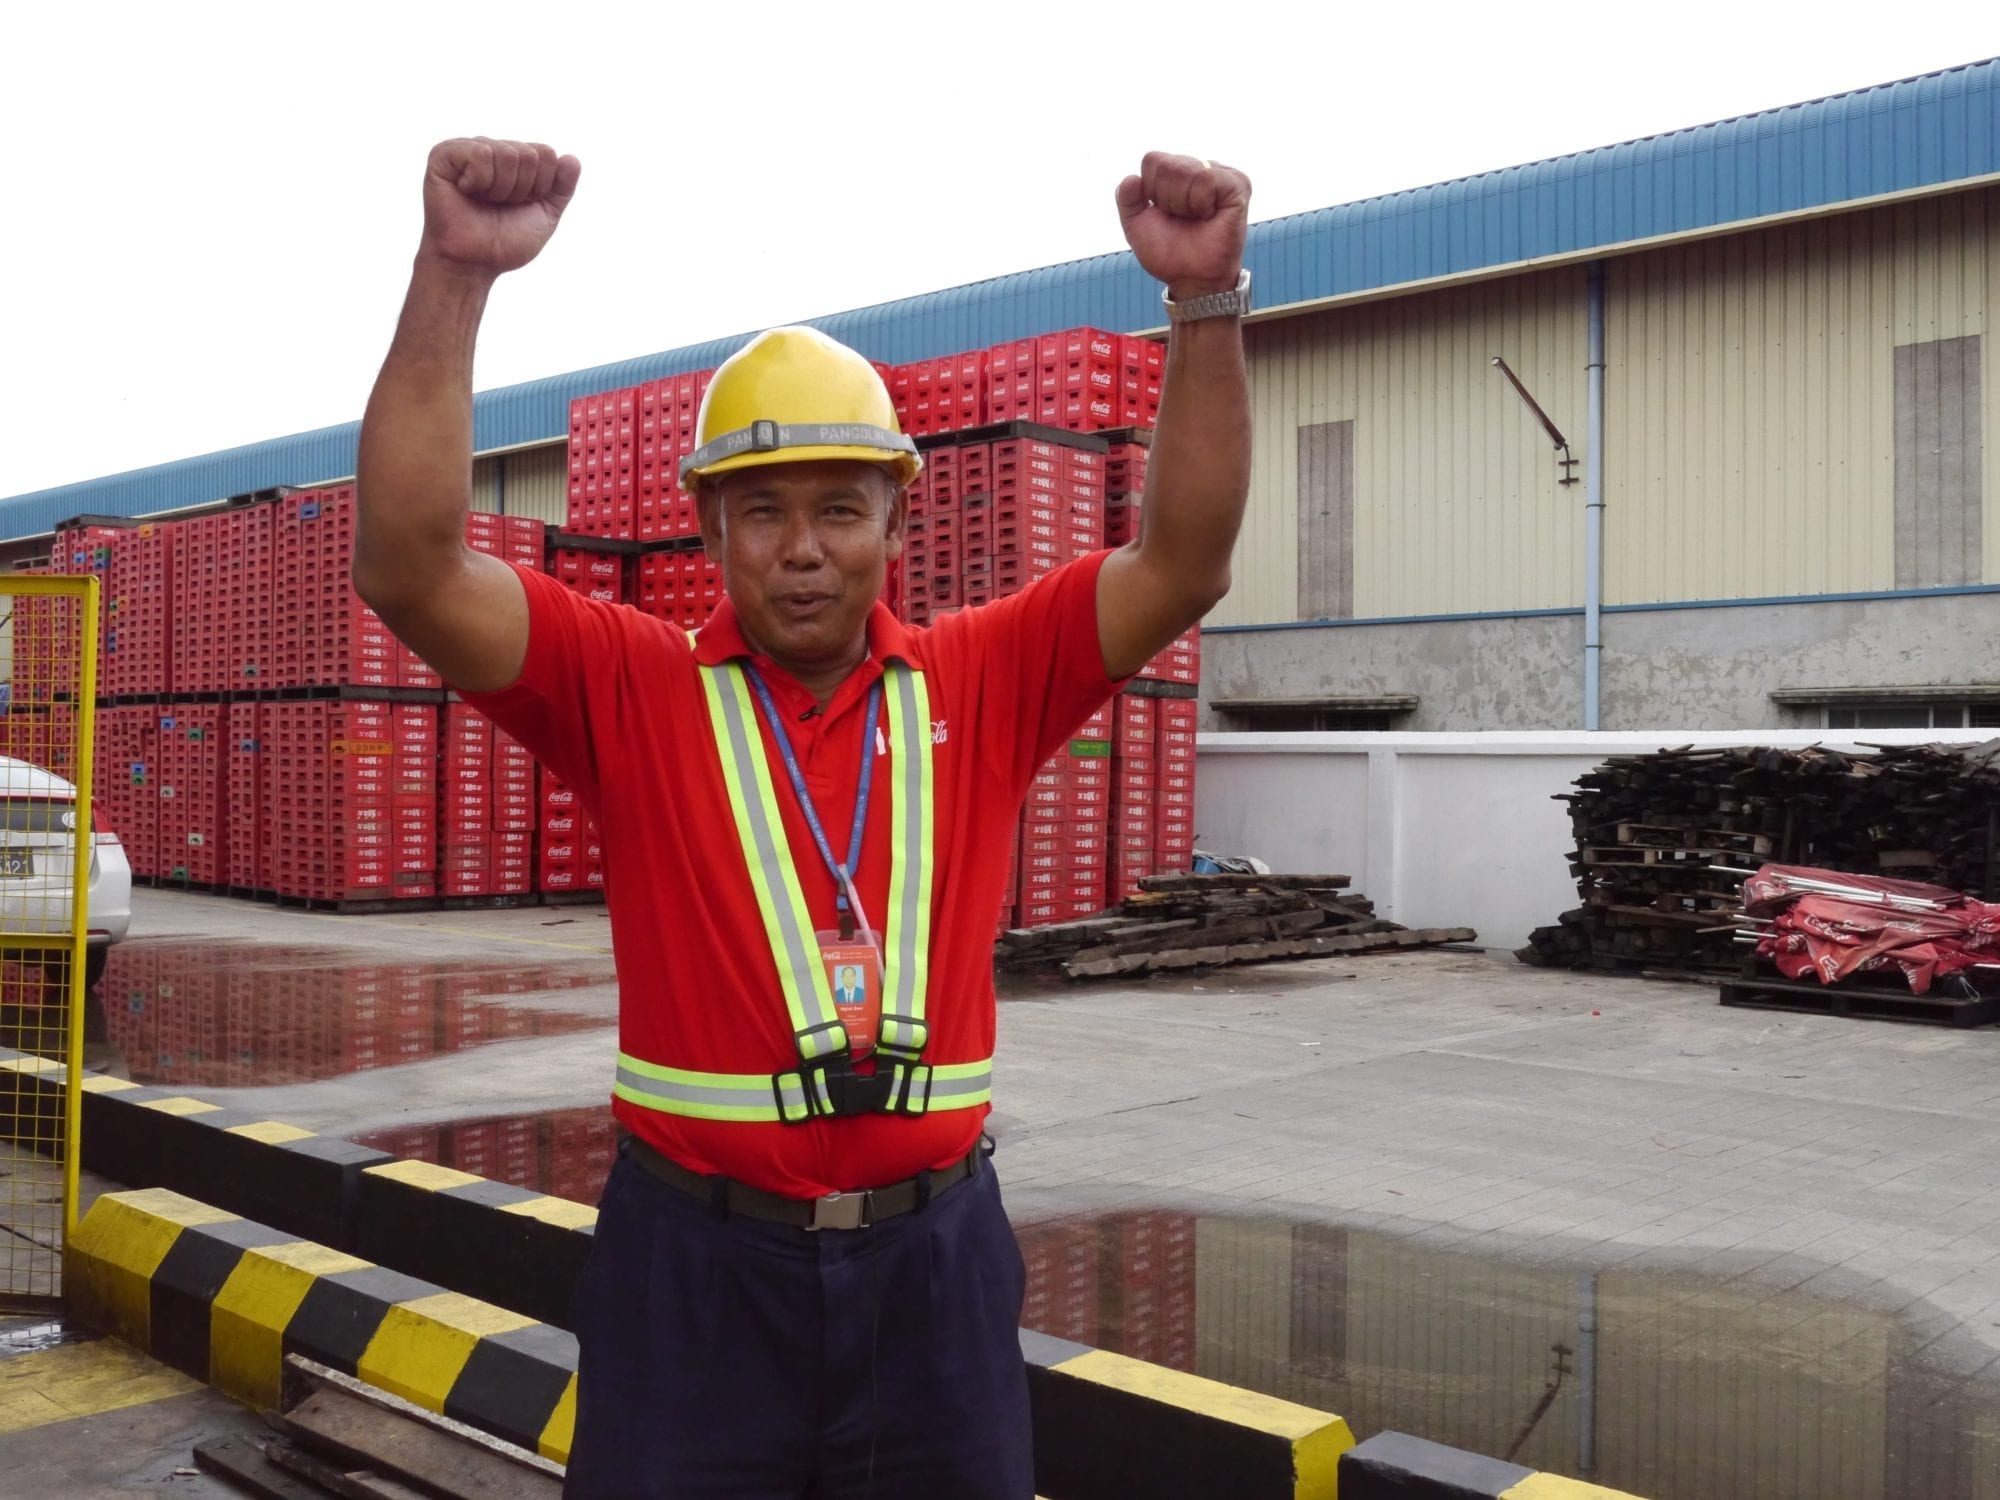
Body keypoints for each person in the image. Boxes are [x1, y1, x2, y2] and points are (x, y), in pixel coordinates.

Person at [354, 136, 1253, 1500]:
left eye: (841, 505)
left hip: (931, 1274)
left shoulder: (984, 682)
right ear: (708, 530)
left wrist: (1203, 307)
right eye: (762, 510)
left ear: (900, 516)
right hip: (695, 1279)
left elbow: (1182, 559)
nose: (805, 545)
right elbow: (410, 565)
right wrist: (455, 274)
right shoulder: (633, 688)